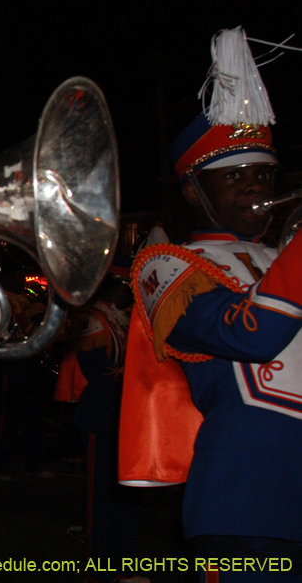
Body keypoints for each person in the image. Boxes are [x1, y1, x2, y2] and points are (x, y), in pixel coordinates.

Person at [123, 99, 302, 582]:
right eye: (233, 174)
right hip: (247, 498)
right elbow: (251, 335)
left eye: (263, 175)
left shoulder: (286, 253)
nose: (254, 185)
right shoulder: (168, 263)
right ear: (191, 190)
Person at [56, 265, 148, 583]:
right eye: (128, 286)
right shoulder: (94, 318)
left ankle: (121, 562)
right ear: (116, 286)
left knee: (127, 493)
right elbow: (99, 372)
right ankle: (100, 569)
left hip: (126, 416)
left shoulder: (120, 316)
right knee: (102, 497)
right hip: (102, 414)